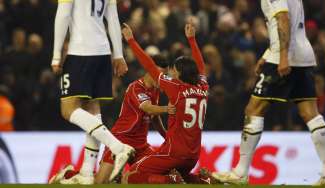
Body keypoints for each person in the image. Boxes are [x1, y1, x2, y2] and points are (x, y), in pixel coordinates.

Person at [212, 0, 325, 186]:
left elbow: (283, 19)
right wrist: (266, 54)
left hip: (284, 57)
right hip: (303, 56)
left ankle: (240, 172)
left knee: (253, 109)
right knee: (310, 113)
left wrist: (283, 57)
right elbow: (289, 23)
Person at [53, 55, 175, 184]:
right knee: (101, 182)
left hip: (141, 145)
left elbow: (154, 117)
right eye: (159, 74)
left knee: (156, 171)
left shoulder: (155, 90)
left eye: (164, 75)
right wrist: (168, 108)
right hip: (121, 138)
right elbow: (148, 108)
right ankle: (69, 174)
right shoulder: (136, 87)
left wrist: (166, 136)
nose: (162, 79)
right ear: (150, 70)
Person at [50, 0, 134, 184]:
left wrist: (56, 54)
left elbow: (63, 15)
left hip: (80, 52)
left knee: (68, 110)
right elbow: (112, 18)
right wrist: (118, 54)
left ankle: (118, 148)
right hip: (103, 53)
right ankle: (88, 171)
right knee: (92, 109)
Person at [121, 21, 211, 184]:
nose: (170, 72)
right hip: (193, 155)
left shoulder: (175, 87)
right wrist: (191, 40)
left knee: (131, 176)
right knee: (182, 176)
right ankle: (201, 180)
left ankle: (169, 180)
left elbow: (149, 65)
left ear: (180, 73)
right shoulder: (203, 87)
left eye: (173, 69)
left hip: (174, 153)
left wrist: (131, 41)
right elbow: (201, 67)